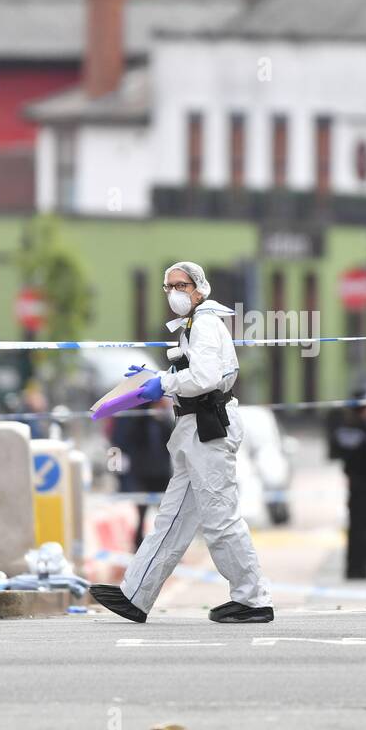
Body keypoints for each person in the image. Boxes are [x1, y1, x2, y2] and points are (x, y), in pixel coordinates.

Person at [89, 261, 274, 623]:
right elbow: (196, 373)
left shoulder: (205, 324)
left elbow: (205, 377)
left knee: (220, 519)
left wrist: (164, 383)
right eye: (168, 286)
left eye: (181, 285)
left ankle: (253, 599)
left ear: (199, 288)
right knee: (171, 520)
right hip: (194, 429)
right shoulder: (195, 326)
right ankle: (135, 594)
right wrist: (157, 377)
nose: (174, 292)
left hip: (208, 428)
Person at [328, 387, 366, 580]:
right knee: (363, 527)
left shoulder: (347, 427)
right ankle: (358, 568)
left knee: (357, 526)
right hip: (365, 483)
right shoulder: (362, 429)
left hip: (356, 482)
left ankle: (355, 567)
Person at [109, 398, 174, 551]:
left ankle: (168, 545)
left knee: (167, 513)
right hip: (143, 474)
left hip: (162, 474)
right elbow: (124, 441)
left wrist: (162, 416)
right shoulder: (138, 420)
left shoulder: (163, 420)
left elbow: (172, 437)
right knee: (141, 513)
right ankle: (138, 545)